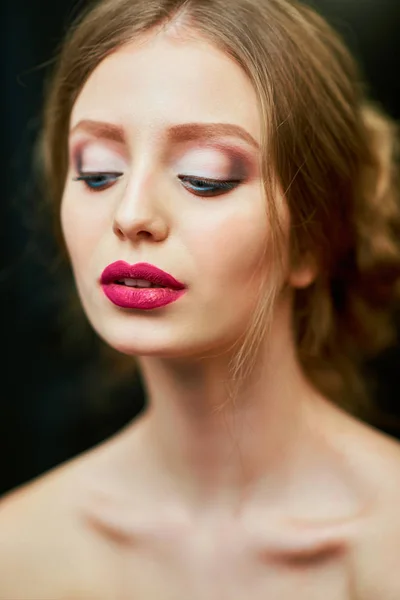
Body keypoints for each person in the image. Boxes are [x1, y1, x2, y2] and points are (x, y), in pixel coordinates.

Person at [1, 0, 400, 597]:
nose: (131, 215)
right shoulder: (18, 551)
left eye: (204, 177)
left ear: (313, 236)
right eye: (98, 171)